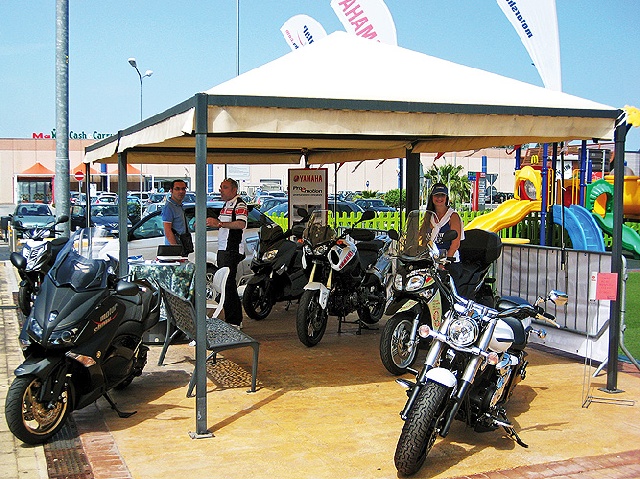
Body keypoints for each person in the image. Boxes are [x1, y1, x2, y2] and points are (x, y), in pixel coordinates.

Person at [206, 178, 248, 328]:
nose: (221, 190)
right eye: (220, 187)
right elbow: (222, 224)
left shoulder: (240, 204)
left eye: (224, 187)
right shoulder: (226, 204)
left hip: (232, 249)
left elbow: (241, 223)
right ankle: (232, 318)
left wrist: (219, 223)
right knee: (226, 285)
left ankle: (234, 321)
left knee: (228, 285)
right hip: (223, 249)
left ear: (234, 190)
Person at [422, 183, 464, 283]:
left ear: (446, 197)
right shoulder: (429, 216)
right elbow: (421, 237)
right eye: (436, 195)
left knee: (445, 289)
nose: (439, 198)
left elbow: (455, 244)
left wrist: (443, 263)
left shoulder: (453, 216)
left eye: (442, 195)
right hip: (431, 261)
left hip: (449, 261)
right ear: (432, 197)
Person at [162, 179, 188, 246]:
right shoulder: (169, 207)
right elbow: (167, 230)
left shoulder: (179, 206)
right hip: (174, 247)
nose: (181, 191)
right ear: (171, 190)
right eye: (177, 189)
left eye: (183, 189)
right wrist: (175, 248)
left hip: (183, 244)